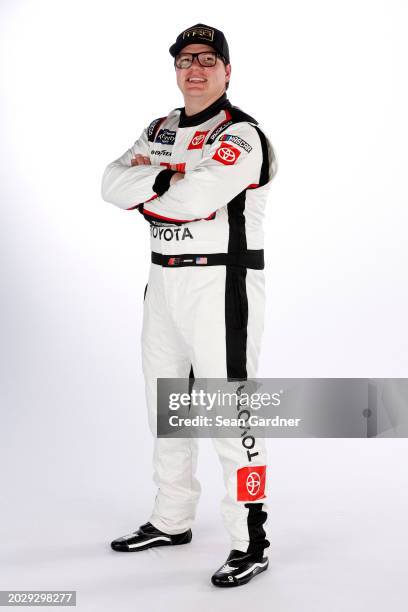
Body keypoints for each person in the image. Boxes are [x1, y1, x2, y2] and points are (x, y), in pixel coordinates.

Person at [101, 23, 277, 588]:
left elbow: (197, 199)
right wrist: (171, 178)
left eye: (208, 59)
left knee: (233, 413)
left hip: (219, 285)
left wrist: (153, 188)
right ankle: (172, 518)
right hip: (163, 283)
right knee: (168, 409)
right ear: (176, 70)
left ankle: (251, 540)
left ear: (228, 70)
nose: (195, 69)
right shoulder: (159, 129)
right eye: (185, 60)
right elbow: (110, 183)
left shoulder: (242, 134)